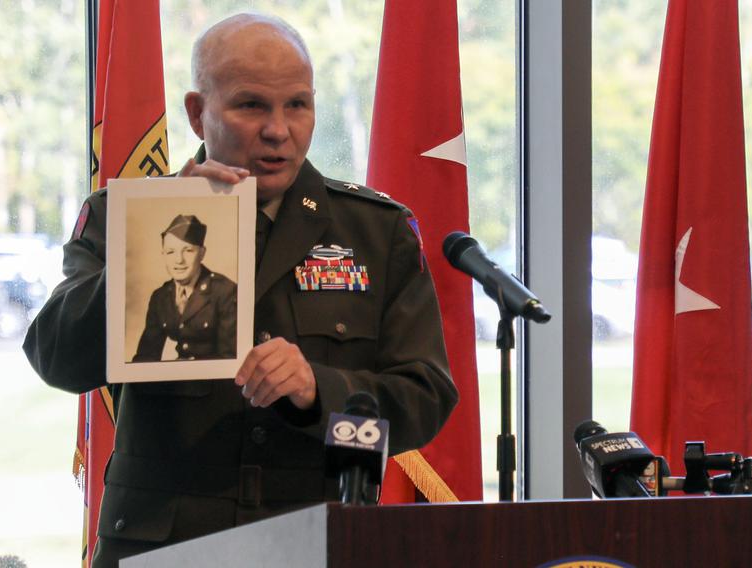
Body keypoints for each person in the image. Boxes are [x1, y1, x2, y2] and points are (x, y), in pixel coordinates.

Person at [23, 13, 457, 568]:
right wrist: (160, 230)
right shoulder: (123, 218)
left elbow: (424, 405)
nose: (279, 130)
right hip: (163, 546)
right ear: (197, 114)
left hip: (314, 538)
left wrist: (318, 391)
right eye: (252, 105)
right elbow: (57, 359)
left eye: (297, 105)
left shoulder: (374, 230)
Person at [132, 214, 237, 362]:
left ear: (202, 253)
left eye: (188, 250)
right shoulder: (160, 297)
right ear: (163, 255)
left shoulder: (225, 292)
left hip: (213, 382)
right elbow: (146, 356)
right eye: (170, 252)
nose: (179, 260)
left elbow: (230, 359)